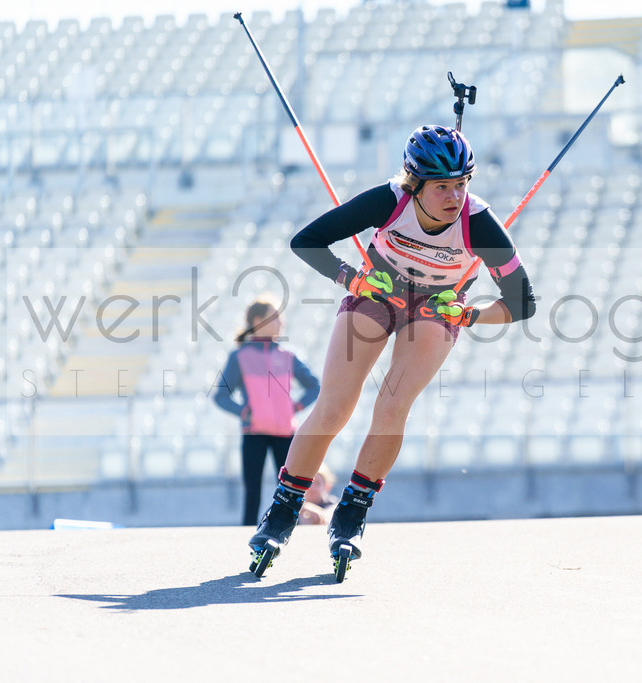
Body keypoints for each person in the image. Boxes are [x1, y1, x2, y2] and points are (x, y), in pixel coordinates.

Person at [248, 124, 536, 578]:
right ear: (414, 184)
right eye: (442, 186)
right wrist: (350, 278)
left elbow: (523, 303)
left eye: (462, 183)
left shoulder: (479, 224)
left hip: (437, 310)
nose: (454, 196)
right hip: (377, 296)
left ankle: (352, 513)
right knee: (335, 407)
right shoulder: (388, 200)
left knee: (392, 406)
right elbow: (305, 241)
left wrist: (470, 315)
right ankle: (282, 512)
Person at [214, 296, 321, 525]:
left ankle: (287, 532)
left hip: (286, 433)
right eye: (275, 317)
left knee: (290, 491)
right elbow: (221, 396)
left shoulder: (288, 356)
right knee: (252, 492)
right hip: (254, 434)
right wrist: (245, 413)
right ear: (257, 320)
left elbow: (315, 386)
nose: (281, 322)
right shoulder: (239, 356)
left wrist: (295, 407)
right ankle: (247, 540)